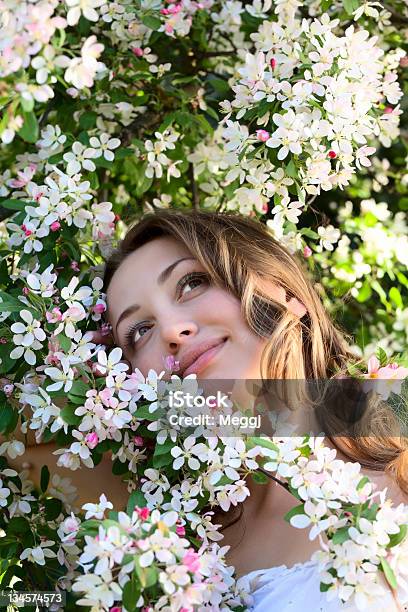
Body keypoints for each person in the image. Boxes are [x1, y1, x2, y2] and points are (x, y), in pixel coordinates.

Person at [101, 208, 408, 611]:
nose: (173, 331)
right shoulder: (183, 555)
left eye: (192, 283)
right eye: (139, 331)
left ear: (279, 286)